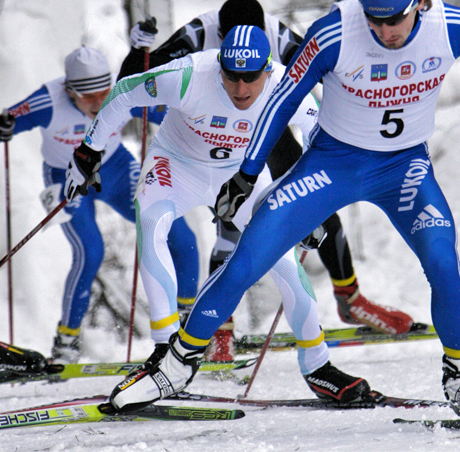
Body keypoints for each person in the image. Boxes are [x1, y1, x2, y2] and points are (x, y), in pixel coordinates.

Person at [105, 0, 460, 422]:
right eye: (372, 19)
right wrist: (248, 172)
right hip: (333, 164)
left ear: (417, 1)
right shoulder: (334, 31)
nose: (382, 31)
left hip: (404, 169)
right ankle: (175, 365)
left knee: (443, 258)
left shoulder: (450, 25)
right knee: (250, 254)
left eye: (393, 20)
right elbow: (283, 98)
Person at [65, 26, 371, 408]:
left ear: (267, 69)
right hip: (175, 166)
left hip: (240, 176)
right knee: (152, 223)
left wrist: (312, 203)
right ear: (220, 67)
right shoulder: (190, 74)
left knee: (285, 262)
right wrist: (87, 151)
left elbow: (322, 139)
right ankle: (165, 351)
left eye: (251, 78)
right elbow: (125, 92)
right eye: (231, 77)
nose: (241, 89)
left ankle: (319, 367)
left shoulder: (286, 84)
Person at [121, 0, 414, 353]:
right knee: (232, 226)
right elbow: (132, 84)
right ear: (221, 33)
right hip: (212, 134)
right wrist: (139, 51)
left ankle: (349, 298)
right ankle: (219, 329)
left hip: (269, 127)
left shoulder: (275, 33)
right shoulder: (199, 32)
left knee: (316, 203)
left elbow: (326, 73)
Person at [0, 46, 199, 364]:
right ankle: (66, 344)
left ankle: (190, 328)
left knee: (174, 228)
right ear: (69, 90)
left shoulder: (121, 90)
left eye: (104, 93)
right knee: (90, 252)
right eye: (88, 97)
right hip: (67, 177)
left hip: (116, 168)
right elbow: (5, 123)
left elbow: (172, 111)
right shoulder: (48, 100)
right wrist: (1, 127)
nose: (99, 103)